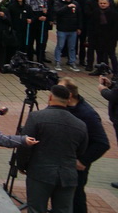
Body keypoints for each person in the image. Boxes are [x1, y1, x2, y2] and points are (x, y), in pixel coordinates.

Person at [17, 84, 88, 213]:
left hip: (40, 173)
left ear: (50, 97)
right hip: (67, 176)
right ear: (68, 99)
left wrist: (21, 165)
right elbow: (81, 151)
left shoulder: (36, 117)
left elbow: (25, 145)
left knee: (36, 209)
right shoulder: (80, 125)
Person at [59, 78, 110, 213]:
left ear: (69, 96)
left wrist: (83, 160)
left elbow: (102, 143)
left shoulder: (87, 114)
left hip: (76, 165)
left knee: (76, 197)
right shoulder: (62, 107)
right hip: (63, 162)